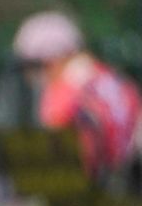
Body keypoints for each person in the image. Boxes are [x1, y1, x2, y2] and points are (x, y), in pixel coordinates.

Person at [13, 11, 141, 180]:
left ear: (51, 59)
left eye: (32, 66)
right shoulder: (119, 83)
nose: (30, 76)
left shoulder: (64, 92)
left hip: (95, 192)